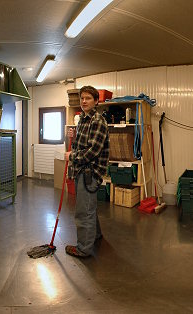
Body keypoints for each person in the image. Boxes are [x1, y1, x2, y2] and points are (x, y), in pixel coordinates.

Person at [66, 86, 109, 258]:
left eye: (88, 98)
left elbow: (92, 151)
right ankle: (95, 236)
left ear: (96, 101)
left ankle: (84, 248)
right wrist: (74, 135)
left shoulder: (97, 120)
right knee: (89, 206)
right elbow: (82, 144)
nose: (84, 101)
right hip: (81, 171)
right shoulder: (83, 119)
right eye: (82, 98)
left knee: (84, 212)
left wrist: (71, 156)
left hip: (89, 172)